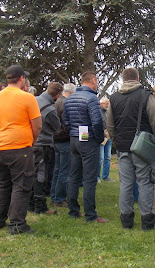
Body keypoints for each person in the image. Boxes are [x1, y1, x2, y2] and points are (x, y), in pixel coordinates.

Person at [107, 67, 155, 230]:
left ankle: (126, 221)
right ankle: (147, 221)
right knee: (145, 182)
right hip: (143, 147)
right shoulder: (146, 96)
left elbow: (109, 124)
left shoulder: (114, 98)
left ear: (123, 80)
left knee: (125, 183)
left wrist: (115, 140)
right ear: (138, 79)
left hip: (123, 147)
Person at [0, 64, 42, 234]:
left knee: (3, 184)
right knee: (21, 184)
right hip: (19, 146)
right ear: (21, 79)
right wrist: (32, 140)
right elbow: (37, 125)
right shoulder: (27, 98)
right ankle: (17, 224)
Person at [63, 71, 108, 223]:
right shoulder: (92, 98)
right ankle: (90, 214)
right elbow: (97, 122)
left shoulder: (70, 98)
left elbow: (65, 120)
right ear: (93, 80)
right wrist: (99, 139)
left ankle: (73, 210)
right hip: (88, 140)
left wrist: (72, 132)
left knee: (74, 176)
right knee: (89, 179)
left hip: (74, 139)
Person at [29, 82, 63, 215]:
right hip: (43, 144)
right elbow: (57, 127)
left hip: (30, 143)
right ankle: (40, 206)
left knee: (32, 173)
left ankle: (30, 204)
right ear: (57, 95)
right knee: (41, 176)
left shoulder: (33, 100)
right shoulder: (50, 110)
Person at [50, 83, 76, 207]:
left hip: (55, 139)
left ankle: (54, 195)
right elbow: (66, 123)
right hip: (63, 139)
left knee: (57, 169)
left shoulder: (56, 101)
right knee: (64, 171)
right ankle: (59, 198)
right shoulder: (66, 103)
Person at [98, 97, 114, 182]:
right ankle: (97, 177)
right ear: (101, 104)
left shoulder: (108, 112)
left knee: (107, 157)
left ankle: (105, 176)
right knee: (100, 158)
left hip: (108, 137)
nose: (108, 105)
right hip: (101, 137)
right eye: (106, 104)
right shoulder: (98, 112)